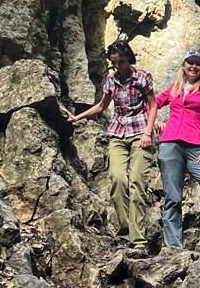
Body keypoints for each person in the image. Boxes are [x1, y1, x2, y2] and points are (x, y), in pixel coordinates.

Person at [61, 40, 156, 256]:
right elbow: (102, 105)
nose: (118, 66)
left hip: (140, 132)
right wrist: (77, 117)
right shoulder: (111, 80)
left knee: (138, 183)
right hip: (117, 134)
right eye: (114, 63)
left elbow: (153, 105)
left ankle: (138, 240)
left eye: (121, 62)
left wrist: (148, 133)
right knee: (117, 179)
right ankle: (125, 233)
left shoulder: (142, 77)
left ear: (128, 59)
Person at [145, 49, 200, 250]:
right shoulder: (175, 88)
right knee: (173, 197)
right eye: (190, 62)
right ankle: (173, 248)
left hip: (197, 146)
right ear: (183, 66)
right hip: (170, 144)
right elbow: (151, 104)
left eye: (198, 63)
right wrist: (154, 123)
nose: (194, 66)